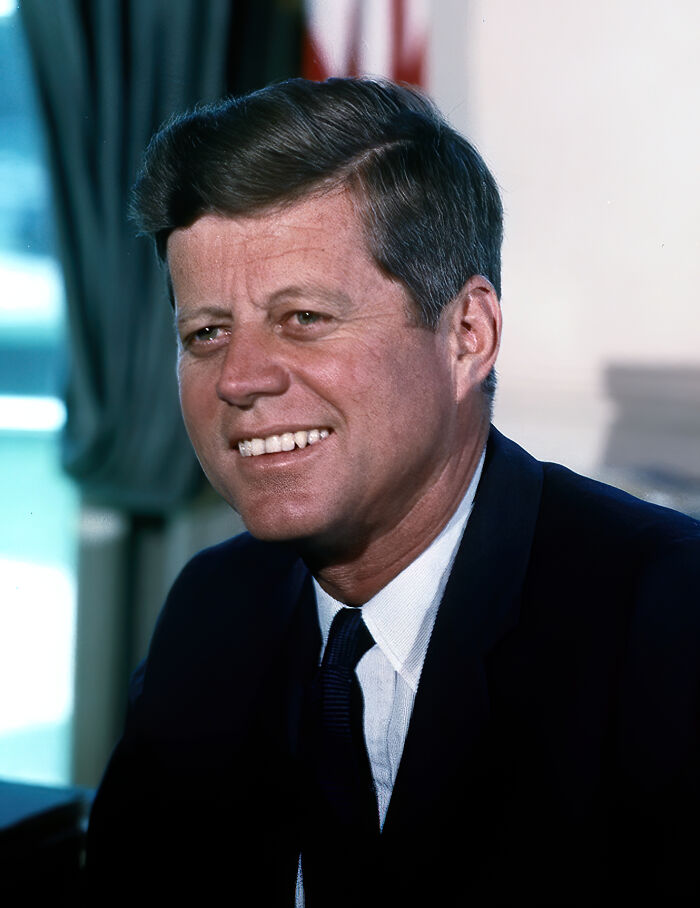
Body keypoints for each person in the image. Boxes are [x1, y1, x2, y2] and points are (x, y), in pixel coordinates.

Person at [86, 77, 700, 906]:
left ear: (467, 335)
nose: (240, 378)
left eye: (303, 317)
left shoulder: (668, 620)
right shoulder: (212, 609)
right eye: (206, 333)